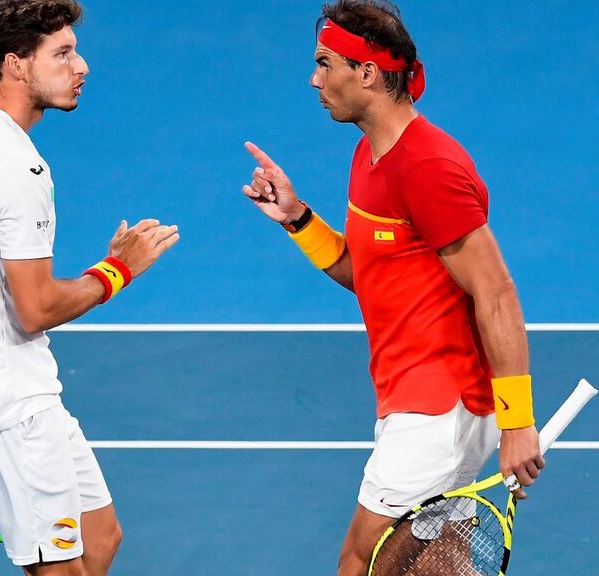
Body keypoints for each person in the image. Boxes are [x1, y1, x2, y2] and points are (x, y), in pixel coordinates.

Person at [239, 1, 543, 573]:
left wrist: (517, 422)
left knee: (362, 561)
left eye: (326, 64)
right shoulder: (370, 154)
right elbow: (372, 276)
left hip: (437, 409)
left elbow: (496, 293)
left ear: (369, 74)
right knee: (427, 562)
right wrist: (298, 218)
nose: (314, 78)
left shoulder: (429, 167)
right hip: (412, 394)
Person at [0, 1, 179, 574]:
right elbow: (35, 307)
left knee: (101, 538)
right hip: (13, 412)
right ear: (16, 66)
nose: (82, 65)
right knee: (61, 569)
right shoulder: (22, 170)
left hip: (10, 395)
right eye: (62, 53)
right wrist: (118, 270)